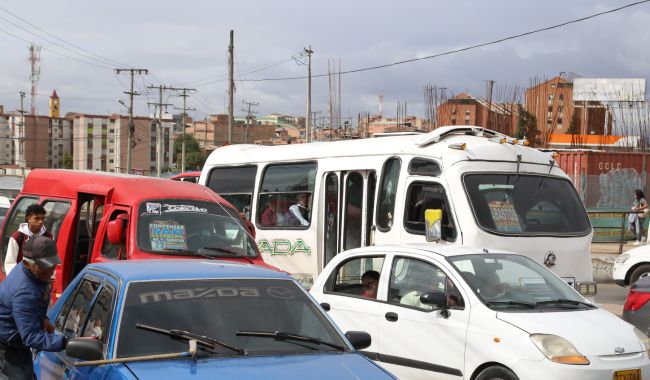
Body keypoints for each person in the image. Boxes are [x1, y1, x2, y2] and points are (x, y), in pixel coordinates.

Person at [0, 236, 67, 379]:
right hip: (6, 349)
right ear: (26, 263)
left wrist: (43, 318)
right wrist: (67, 343)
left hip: (17, 343)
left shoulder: (35, 275)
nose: (50, 270)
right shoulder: (23, 292)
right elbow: (31, 337)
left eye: (53, 264)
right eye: (44, 265)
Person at [5, 204, 52, 274]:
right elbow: (10, 263)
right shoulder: (17, 237)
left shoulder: (48, 236)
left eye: (42, 218)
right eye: (37, 218)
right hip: (21, 277)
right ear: (28, 219)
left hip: (41, 279)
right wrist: (15, 280)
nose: (40, 221)